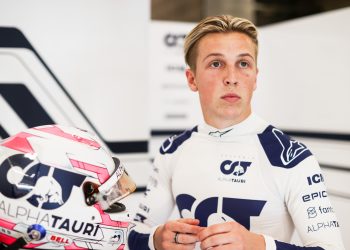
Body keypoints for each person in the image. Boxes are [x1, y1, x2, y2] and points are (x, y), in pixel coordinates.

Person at [127, 15, 345, 250]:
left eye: (243, 64)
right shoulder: (173, 150)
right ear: (192, 79)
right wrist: (155, 239)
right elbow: (134, 233)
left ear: (255, 78)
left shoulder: (292, 157)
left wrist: (259, 245)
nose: (231, 78)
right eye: (216, 63)